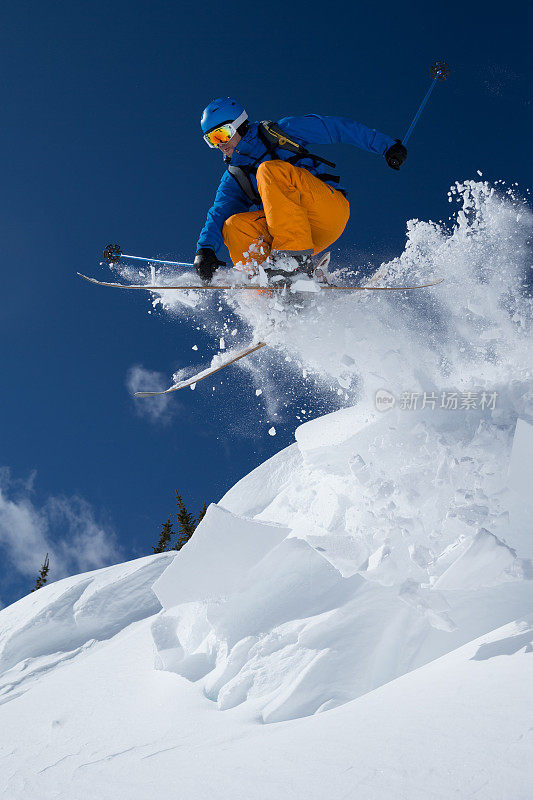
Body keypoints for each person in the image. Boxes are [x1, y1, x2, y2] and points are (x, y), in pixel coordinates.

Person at [194, 97, 406, 283]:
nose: (219, 145)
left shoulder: (279, 132)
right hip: (292, 233)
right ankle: (270, 297)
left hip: (325, 210)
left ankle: (294, 264)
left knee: (269, 170)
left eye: (221, 134)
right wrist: (205, 250)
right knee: (233, 226)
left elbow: (336, 128)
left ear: (239, 124)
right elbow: (219, 212)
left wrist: (386, 146)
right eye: (211, 140)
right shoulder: (234, 175)